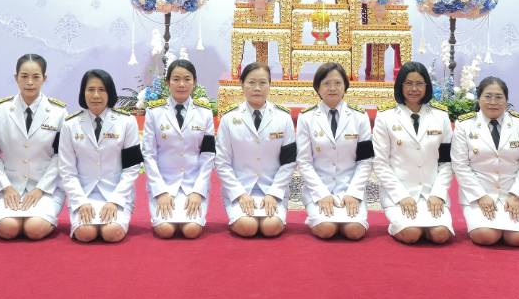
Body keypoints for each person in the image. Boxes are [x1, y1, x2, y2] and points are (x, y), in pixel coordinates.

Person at [371, 62, 454, 244]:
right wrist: (401, 195)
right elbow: (380, 163)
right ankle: (397, 225)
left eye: (419, 84)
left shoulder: (441, 116)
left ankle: (430, 219)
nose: (414, 89)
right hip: (400, 192)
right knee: (412, 234)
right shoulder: (385, 117)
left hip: (431, 192)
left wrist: (438, 193)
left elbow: (446, 162)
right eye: (408, 83)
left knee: (440, 235)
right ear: (400, 85)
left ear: (427, 86)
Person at [0, 53, 67, 241]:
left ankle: (43, 212)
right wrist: (6, 187)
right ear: (16, 77)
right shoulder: (0, 111)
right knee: (8, 229)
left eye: (35, 77)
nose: (29, 82)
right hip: (10, 187)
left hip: (46, 187)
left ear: (44, 79)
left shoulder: (58, 112)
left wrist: (41, 189)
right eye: (24, 76)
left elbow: (61, 155)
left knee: (34, 229)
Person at [451, 75, 519, 247]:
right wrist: (480, 196)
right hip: (480, 193)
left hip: (513, 193)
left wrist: (517, 195)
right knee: (486, 236)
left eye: (499, 97)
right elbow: (460, 166)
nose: (493, 102)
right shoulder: (464, 125)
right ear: (479, 98)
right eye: (487, 96)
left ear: (506, 99)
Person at [57, 69, 142, 243]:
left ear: (110, 92)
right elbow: (67, 171)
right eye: (90, 89)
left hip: (116, 193)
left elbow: (132, 168)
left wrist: (115, 200)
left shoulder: (127, 122)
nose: (96, 95)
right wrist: (80, 201)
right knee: (85, 234)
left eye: (102, 90)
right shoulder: (70, 124)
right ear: (83, 93)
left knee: (112, 233)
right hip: (83, 193)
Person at [214, 62, 295, 238]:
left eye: (262, 83)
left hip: (273, 188)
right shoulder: (229, 119)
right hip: (241, 188)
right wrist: (239, 194)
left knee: (271, 227)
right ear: (242, 84)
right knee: (247, 227)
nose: (257, 88)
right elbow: (222, 162)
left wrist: (274, 194)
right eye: (251, 82)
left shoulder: (284, 118)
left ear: (270, 85)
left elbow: (289, 162)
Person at [296, 62, 373, 240]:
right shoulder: (306, 118)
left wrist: (353, 192)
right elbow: (304, 162)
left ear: (345, 86)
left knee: (355, 232)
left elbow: (365, 161)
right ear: (317, 87)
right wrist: (321, 194)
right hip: (318, 188)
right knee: (326, 230)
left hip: (350, 187)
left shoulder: (359, 117)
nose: (332, 88)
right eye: (326, 83)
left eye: (338, 83)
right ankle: (314, 214)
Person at [142, 59, 216, 240]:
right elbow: (149, 155)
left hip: (193, 184)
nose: (181, 84)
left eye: (187, 79)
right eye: (175, 79)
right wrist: (160, 191)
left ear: (195, 82)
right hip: (164, 183)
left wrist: (198, 191)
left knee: (191, 230)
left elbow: (208, 156)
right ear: (167, 83)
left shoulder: (205, 113)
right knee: (165, 230)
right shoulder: (154, 112)